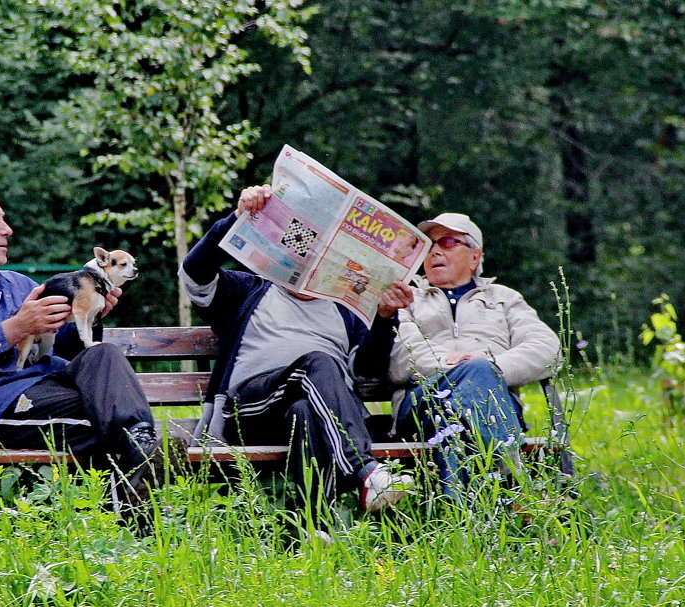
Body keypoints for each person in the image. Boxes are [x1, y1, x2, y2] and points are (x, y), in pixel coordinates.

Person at [0, 188, 161, 533]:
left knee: (103, 354)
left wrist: (91, 315)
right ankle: (134, 518)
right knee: (107, 428)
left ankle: (140, 444)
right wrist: (13, 329)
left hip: (45, 390)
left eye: (4, 220)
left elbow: (61, 348)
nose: (7, 229)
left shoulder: (21, 285)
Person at [180, 184, 415, 527]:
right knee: (317, 362)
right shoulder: (249, 290)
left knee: (306, 410)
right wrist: (237, 218)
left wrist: (383, 319)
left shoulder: (347, 310)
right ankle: (366, 472)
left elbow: (366, 375)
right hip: (250, 409)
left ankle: (314, 528)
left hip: (312, 407)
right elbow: (195, 273)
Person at [388, 212, 562, 500]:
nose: (435, 251)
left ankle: (460, 512)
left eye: (447, 242)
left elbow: (547, 347)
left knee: (454, 419)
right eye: (428, 245)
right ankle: (515, 488)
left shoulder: (504, 299)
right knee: (473, 377)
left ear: (474, 257)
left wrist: (492, 368)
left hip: (481, 402)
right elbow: (399, 358)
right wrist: (455, 366)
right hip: (421, 403)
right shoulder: (407, 298)